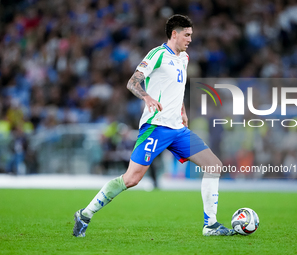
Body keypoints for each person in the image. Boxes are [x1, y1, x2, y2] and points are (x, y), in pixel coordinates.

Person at [73, 14, 236, 237]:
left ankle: (211, 225)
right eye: (187, 35)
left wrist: (183, 112)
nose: (190, 39)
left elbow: (176, 90)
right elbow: (132, 82)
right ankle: (85, 214)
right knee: (131, 179)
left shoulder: (184, 58)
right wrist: (147, 97)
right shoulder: (157, 54)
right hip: (155, 126)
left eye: (192, 35)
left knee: (214, 166)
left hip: (178, 129)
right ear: (174, 34)